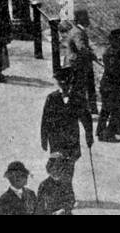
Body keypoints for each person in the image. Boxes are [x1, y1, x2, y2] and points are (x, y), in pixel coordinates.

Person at [40, 68, 93, 196]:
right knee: (58, 165)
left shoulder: (78, 99)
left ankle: (67, 192)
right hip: (56, 139)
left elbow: (86, 118)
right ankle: (64, 193)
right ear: (58, 84)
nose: (64, 87)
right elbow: (45, 119)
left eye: (67, 84)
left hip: (71, 138)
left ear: (71, 84)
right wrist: (44, 138)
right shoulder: (51, 98)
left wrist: (89, 135)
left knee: (70, 165)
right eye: (61, 84)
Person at [62, 10, 98, 115]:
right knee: (78, 88)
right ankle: (77, 111)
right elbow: (81, 48)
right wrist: (92, 55)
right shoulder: (78, 32)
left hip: (75, 63)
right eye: (86, 18)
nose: (88, 20)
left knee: (77, 88)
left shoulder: (75, 30)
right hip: (77, 65)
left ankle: (89, 108)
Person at [96, 28, 120, 141]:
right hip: (111, 85)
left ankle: (100, 131)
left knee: (106, 109)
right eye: (119, 39)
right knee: (115, 110)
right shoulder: (113, 52)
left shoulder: (112, 50)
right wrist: (119, 77)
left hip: (108, 84)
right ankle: (108, 134)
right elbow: (112, 69)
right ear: (113, 40)